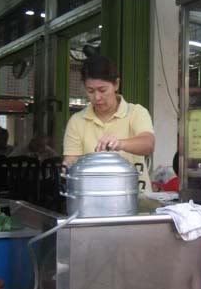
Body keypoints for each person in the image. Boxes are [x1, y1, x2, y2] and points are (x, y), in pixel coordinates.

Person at [63, 55, 155, 191]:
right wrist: (69, 168)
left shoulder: (136, 112)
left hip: (135, 199)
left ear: (116, 84)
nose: (97, 97)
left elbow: (148, 144)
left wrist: (120, 143)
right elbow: (70, 162)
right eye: (90, 91)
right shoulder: (77, 121)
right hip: (92, 199)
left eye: (102, 90)